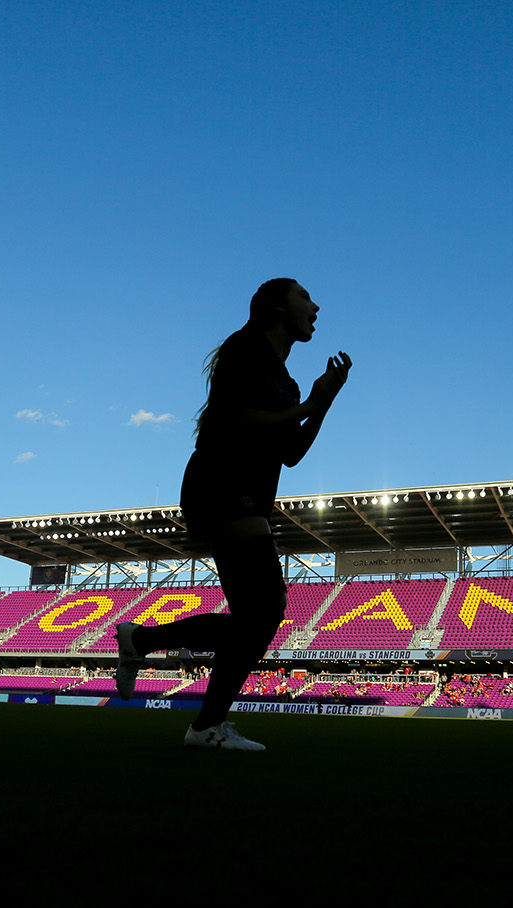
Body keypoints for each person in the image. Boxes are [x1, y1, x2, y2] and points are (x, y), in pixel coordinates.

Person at [114, 278, 351, 751]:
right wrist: (308, 403)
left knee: (256, 616)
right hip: (221, 482)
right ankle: (203, 724)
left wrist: (323, 402)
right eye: (305, 296)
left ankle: (142, 643)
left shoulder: (288, 381)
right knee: (264, 608)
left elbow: (292, 451)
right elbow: (239, 416)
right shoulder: (244, 349)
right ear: (278, 306)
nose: (316, 305)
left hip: (250, 491)